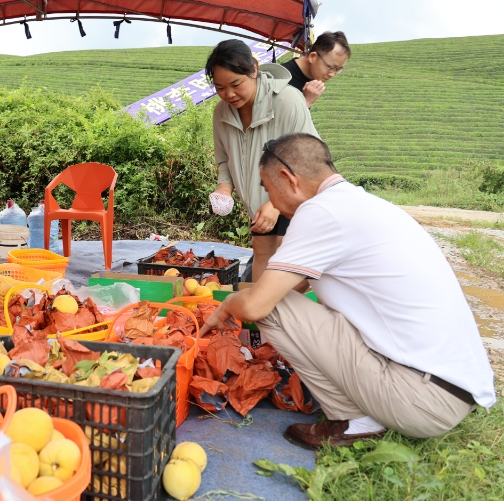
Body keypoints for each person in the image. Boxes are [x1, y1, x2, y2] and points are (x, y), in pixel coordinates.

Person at [201, 133, 496, 448]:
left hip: (420, 400)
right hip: (446, 390)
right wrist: (264, 247)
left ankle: (356, 421)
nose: (271, 201)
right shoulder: (358, 204)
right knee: (279, 302)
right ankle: (364, 414)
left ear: (288, 179)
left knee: (271, 307)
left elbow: (260, 304)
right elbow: (289, 286)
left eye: (269, 189)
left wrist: (229, 302)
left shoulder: (320, 213)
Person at [207, 39, 319, 282]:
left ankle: (284, 314)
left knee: (288, 265)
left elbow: (308, 159)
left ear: (254, 69)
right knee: (261, 253)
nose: (229, 94)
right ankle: (260, 317)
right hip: (259, 207)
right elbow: (225, 161)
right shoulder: (221, 114)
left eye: (236, 84)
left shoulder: (288, 100)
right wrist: (224, 189)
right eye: (220, 87)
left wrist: (275, 205)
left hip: (296, 201)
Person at [281, 31, 351, 108]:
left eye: (338, 70)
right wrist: (307, 102)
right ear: (313, 57)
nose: (332, 74)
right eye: (330, 67)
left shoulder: (312, 82)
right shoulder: (280, 78)